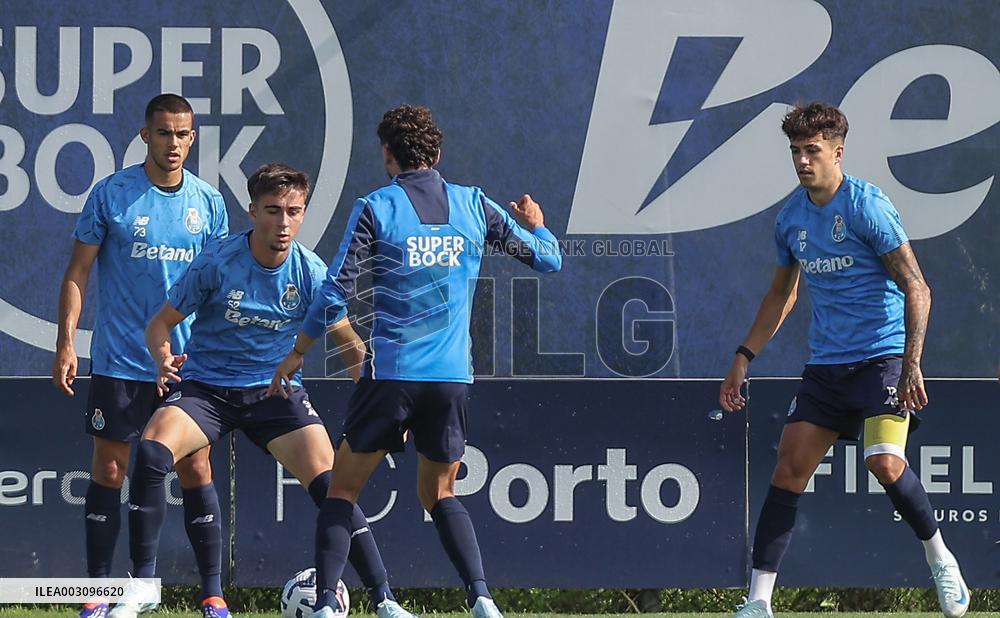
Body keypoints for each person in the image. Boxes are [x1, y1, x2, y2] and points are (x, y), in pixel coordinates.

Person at [269, 105, 563, 618]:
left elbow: (336, 290)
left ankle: (322, 608)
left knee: (341, 488)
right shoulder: (475, 205)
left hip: (391, 378)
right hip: (450, 380)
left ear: (388, 155)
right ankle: (481, 598)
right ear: (438, 154)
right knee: (440, 492)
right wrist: (538, 226)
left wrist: (299, 351)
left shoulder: (376, 206)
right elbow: (548, 259)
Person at [109, 163, 411, 618]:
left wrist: (381, 407)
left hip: (275, 396)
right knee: (152, 452)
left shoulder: (311, 273)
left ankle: (385, 600)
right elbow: (160, 325)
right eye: (273, 210)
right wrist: (162, 356)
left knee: (335, 488)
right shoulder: (217, 260)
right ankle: (145, 583)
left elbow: (350, 344)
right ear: (252, 211)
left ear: (304, 214)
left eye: (293, 211)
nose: (283, 222)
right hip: (207, 391)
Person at [720, 102, 968, 618]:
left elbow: (916, 287)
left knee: (883, 462)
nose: (802, 161)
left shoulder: (867, 207)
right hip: (827, 368)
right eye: (795, 152)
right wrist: (744, 356)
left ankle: (941, 559)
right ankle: (758, 602)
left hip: (882, 358)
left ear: (838, 152)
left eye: (812, 151)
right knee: (788, 470)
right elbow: (781, 296)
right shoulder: (791, 219)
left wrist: (911, 362)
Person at [53, 93, 229, 618]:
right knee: (109, 468)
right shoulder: (112, 195)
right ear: (145, 135)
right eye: (163, 133)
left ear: (192, 138)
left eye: (182, 134)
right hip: (119, 359)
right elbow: (77, 273)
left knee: (197, 466)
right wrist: (66, 341)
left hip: (187, 365)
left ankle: (212, 593)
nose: (173, 144)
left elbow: (220, 285)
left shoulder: (209, 203)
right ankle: (100, 593)